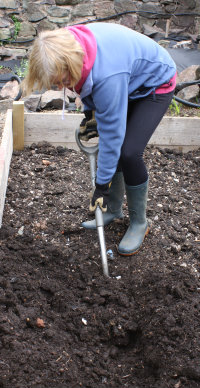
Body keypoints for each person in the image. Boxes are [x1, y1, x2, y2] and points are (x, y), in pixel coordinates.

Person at [22, 22, 176, 256]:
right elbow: (87, 84)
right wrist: (90, 114)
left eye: (62, 81)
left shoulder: (108, 75)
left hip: (154, 83)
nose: (62, 87)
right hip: (126, 78)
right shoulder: (66, 43)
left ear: (71, 64)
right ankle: (113, 209)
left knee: (128, 152)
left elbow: (112, 135)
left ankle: (139, 223)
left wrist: (101, 186)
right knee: (112, 145)